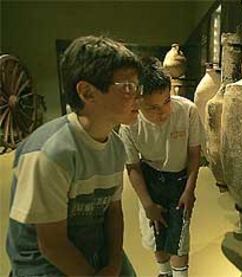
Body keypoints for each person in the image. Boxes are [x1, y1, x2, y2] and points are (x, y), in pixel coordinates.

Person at [6, 35, 141, 276]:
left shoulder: (116, 146)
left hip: (91, 245)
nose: (137, 96)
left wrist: (113, 263)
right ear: (87, 92)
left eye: (136, 86)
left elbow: (113, 211)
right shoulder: (49, 153)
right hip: (41, 261)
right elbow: (51, 244)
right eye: (127, 87)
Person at [119, 57, 203, 277]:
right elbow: (133, 167)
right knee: (155, 232)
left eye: (167, 101)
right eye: (152, 107)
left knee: (179, 237)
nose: (163, 112)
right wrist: (147, 204)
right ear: (137, 101)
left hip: (179, 180)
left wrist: (189, 190)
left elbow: (194, 154)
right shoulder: (129, 124)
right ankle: (163, 273)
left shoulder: (187, 111)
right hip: (150, 181)